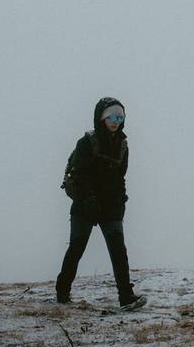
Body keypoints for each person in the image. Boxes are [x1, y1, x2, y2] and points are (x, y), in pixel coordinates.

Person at [55, 97, 146, 310]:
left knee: (118, 251)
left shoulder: (122, 145)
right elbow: (80, 176)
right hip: (84, 206)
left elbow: (120, 177)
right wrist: (89, 202)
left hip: (111, 207)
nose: (116, 121)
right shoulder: (86, 142)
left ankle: (126, 297)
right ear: (101, 118)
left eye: (120, 117)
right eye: (111, 116)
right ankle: (62, 292)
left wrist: (121, 200)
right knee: (77, 248)